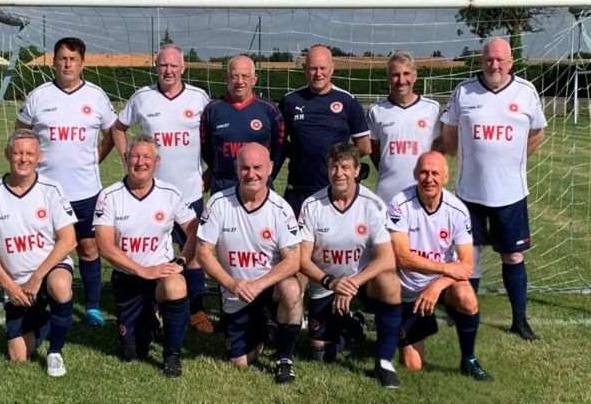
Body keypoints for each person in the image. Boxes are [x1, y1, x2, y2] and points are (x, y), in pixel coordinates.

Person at [438, 38, 547, 341]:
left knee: (512, 256)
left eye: (500, 60)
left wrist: (514, 160)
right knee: (467, 258)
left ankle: (520, 319)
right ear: (481, 61)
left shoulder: (525, 92)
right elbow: (448, 133)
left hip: (511, 194)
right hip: (469, 194)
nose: (494, 65)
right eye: (488, 59)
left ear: (510, 62)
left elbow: (539, 132)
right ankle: (464, 311)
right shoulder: (464, 91)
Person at [112, 44, 214, 335]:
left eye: (173, 65)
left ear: (183, 68)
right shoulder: (142, 98)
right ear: (156, 68)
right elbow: (118, 128)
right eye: (162, 66)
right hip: (149, 195)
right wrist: (126, 159)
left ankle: (195, 311)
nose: (168, 70)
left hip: (189, 193)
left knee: (192, 254)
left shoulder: (199, 98)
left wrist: (211, 169)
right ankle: (152, 306)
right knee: (150, 252)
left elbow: (212, 135)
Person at [15, 37, 118, 327]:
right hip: (46, 192)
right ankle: (44, 300)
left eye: (73, 59)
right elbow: (21, 131)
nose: (67, 64)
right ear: (54, 62)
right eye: (62, 58)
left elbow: (112, 132)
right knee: (46, 249)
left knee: (88, 247)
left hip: (86, 190)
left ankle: (93, 307)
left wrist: (95, 157)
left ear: (83, 63)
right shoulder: (39, 96)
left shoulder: (96, 96)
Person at [195, 143, 303, 384]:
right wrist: (231, 283)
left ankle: (285, 359)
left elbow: (293, 260)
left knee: (291, 288)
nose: (251, 174)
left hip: (268, 288)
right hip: (236, 293)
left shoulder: (280, 209)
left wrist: (259, 285)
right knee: (239, 362)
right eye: (245, 167)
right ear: (236, 168)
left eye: (258, 167)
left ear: (270, 168)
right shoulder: (218, 203)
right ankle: (270, 331)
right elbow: (203, 253)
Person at [298, 143, 403, 388]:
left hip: (362, 281)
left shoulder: (373, 204)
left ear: (357, 170)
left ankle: (384, 363)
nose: (339, 173)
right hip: (326, 281)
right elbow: (302, 259)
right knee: (320, 355)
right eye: (334, 167)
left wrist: (353, 283)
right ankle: (352, 326)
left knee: (390, 282)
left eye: (345, 167)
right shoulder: (312, 205)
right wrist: (332, 282)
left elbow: (387, 258)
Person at [0, 129, 78, 377]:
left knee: (60, 285)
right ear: (7, 154)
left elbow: (68, 239)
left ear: (39, 156)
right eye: (18, 153)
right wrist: (9, 285)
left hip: (49, 270)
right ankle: (47, 317)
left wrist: (38, 277)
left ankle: (55, 352)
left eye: (29, 153)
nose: (23, 159)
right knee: (18, 357)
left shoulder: (51, 189)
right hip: (17, 284)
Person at [94, 134, 198, 378]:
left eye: (146, 157)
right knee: (133, 353)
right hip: (128, 277)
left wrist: (181, 261)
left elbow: (195, 229)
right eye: (135, 156)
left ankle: (172, 355)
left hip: (160, 276)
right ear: (126, 159)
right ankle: (151, 320)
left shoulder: (170, 193)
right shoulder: (109, 196)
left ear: (157, 162)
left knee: (175, 286)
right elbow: (105, 245)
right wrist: (142, 271)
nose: (140, 162)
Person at [387, 151, 491, 380]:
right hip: (406, 290)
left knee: (466, 295)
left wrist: (435, 287)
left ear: (445, 177)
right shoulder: (399, 204)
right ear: (415, 174)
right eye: (424, 172)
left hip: (438, 287)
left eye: (435, 173)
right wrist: (445, 268)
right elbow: (402, 257)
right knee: (413, 365)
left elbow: (466, 265)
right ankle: (400, 326)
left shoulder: (458, 210)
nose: (429, 178)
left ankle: (469, 359)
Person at [280, 45, 371, 216]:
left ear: (332, 69)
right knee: (296, 241)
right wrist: (301, 154)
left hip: (335, 188)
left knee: (334, 241)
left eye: (323, 68)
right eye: (313, 68)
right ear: (305, 69)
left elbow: (365, 146)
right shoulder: (290, 101)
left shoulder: (348, 101)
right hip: (299, 189)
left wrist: (340, 160)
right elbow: (280, 143)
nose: (318, 73)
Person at [200, 55, 284, 195]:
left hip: (259, 185)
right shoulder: (212, 109)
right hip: (223, 185)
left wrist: (265, 175)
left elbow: (279, 149)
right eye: (234, 76)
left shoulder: (269, 110)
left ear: (254, 79)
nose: (240, 81)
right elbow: (206, 148)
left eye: (245, 76)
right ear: (227, 78)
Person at [367, 51, 443, 205]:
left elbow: (437, 149)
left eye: (406, 73)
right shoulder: (376, 111)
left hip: (423, 193)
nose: (401, 80)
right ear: (388, 78)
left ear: (415, 76)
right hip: (388, 195)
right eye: (395, 74)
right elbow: (374, 151)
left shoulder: (432, 109)